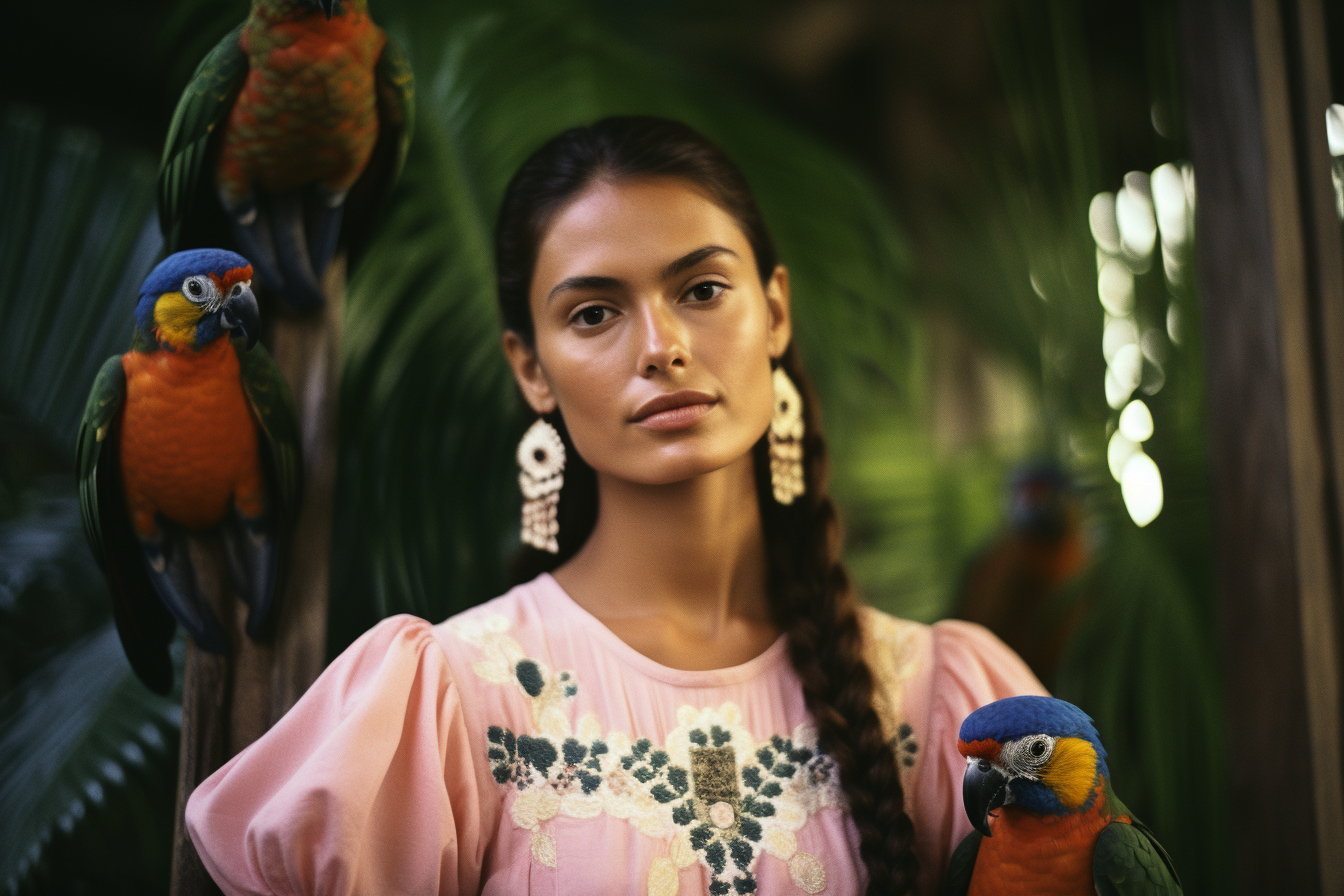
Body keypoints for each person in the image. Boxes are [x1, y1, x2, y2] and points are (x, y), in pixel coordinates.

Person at [186, 116, 1046, 896]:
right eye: (595, 313)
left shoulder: (944, 702)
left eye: (702, 290)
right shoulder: (446, 702)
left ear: (776, 311)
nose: (661, 347)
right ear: (530, 368)